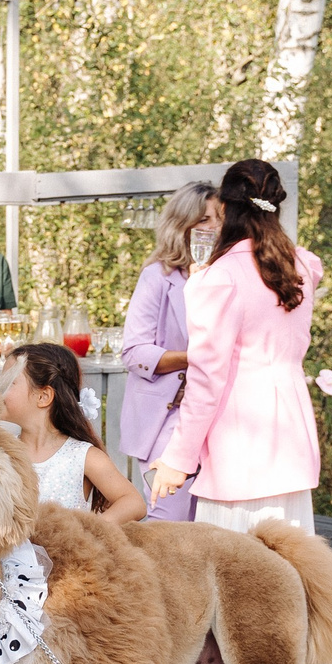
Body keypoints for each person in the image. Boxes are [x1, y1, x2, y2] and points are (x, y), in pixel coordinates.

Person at [148, 159, 324, 533]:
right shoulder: (303, 267)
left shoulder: (221, 278)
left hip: (240, 447)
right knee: (297, 570)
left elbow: (207, 379)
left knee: (240, 577)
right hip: (292, 442)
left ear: (225, 209)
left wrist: (178, 459)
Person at [115, 182, 215, 519]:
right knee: (166, 520)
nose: (213, 227)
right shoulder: (157, 276)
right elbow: (134, 352)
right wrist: (193, 358)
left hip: (214, 416)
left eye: (219, 219)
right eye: (203, 219)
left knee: (207, 526)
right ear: (183, 224)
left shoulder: (226, 276)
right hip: (165, 415)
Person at [2, 343, 147, 520]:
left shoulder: (82, 456)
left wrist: (87, 532)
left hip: (65, 547)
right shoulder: (0, 451)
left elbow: (134, 503)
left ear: (43, 396)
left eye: (8, 382)